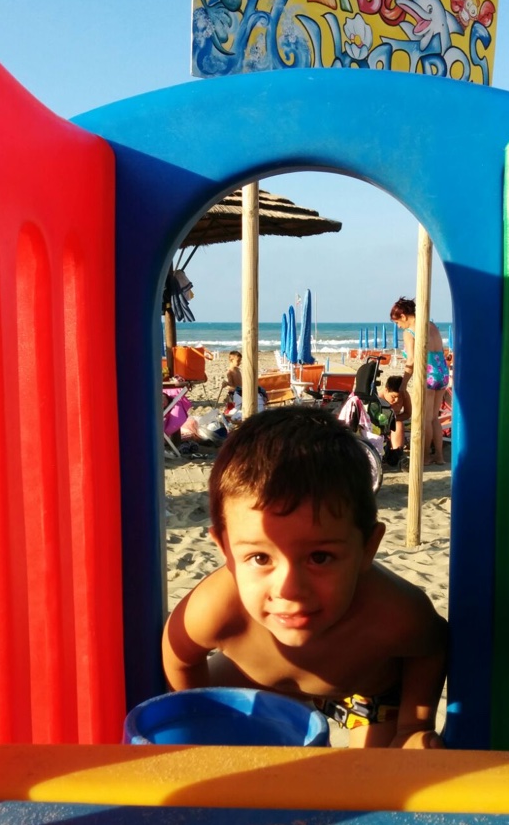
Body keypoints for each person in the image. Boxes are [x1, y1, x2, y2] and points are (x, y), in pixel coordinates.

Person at [162, 406, 448, 749]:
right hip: (257, 681)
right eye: (260, 558)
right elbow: (178, 655)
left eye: (319, 557)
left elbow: (431, 647)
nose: (289, 588)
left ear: (367, 548)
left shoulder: (394, 612)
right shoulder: (213, 609)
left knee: (373, 771)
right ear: (225, 550)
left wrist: (413, 726)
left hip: (363, 691)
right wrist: (198, 719)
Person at [389, 297, 450, 465]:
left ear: (403, 316)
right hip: (442, 372)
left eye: (397, 322)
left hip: (427, 374)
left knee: (426, 418)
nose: (398, 326)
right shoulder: (432, 325)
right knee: (434, 418)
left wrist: (403, 384)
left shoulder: (410, 332)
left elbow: (411, 361)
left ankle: (425, 457)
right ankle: (439, 456)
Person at [383, 375, 411, 466]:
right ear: (386, 390)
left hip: (395, 420)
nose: (397, 400)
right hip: (380, 423)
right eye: (393, 397)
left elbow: (408, 413)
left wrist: (393, 419)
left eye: (399, 397)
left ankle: (397, 454)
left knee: (398, 424)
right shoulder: (379, 397)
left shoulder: (404, 395)